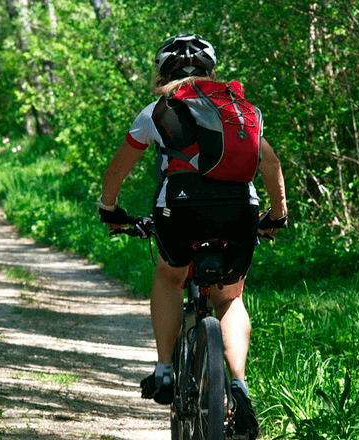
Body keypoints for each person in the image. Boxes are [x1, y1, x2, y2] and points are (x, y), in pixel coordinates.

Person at [97, 34, 288, 440]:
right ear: (210, 72)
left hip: (179, 209)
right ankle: (238, 385)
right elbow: (270, 164)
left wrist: (109, 210)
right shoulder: (237, 109)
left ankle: (165, 371)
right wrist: (276, 216)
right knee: (230, 297)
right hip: (240, 210)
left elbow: (116, 172)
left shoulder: (157, 110)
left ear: (161, 73)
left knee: (169, 274)